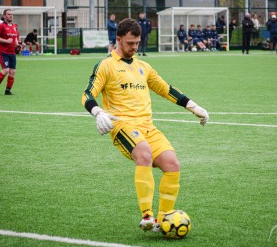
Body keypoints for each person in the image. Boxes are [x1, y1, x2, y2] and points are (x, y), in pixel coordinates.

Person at [81, 18, 209, 233]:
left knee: (172, 164)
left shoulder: (144, 67)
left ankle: (163, 218)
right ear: (118, 39)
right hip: (122, 126)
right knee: (144, 153)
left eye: (137, 43)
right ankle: (147, 216)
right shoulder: (106, 65)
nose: (134, 47)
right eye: (130, 43)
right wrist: (97, 112)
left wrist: (193, 106)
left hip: (147, 126)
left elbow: (165, 89)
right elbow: (87, 95)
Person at [0, 9, 22, 95]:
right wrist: (6, 41)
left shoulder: (14, 26)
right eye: (8, 14)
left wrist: (18, 45)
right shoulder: (1, 26)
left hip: (12, 52)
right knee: (6, 70)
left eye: (11, 14)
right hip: (2, 52)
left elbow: (14, 38)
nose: (11, 16)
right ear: (4, 16)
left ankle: (7, 90)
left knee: (13, 71)